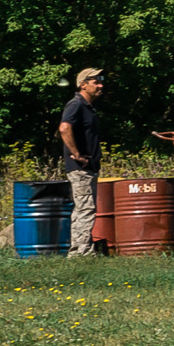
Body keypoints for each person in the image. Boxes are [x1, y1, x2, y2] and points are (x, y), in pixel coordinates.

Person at [58, 68, 105, 258]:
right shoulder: (76, 105)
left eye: (101, 81)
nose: (100, 85)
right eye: (95, 81)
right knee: (86, 209)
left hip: (87, 168)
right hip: (81, 168)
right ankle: (84, 252)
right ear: (83, 85)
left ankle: (77, 251)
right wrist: (77, 154)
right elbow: (64, 128)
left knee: (81, 209)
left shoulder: (86, 106)